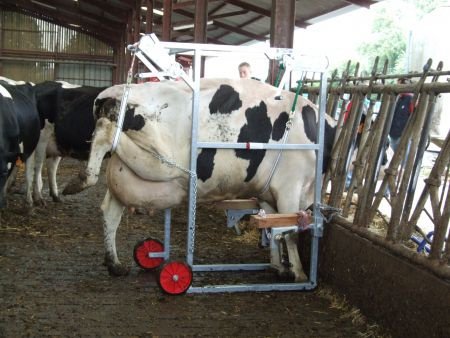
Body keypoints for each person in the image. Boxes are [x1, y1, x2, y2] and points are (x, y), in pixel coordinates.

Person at [389, 77, 414, 153]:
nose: (397, 87)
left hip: (403, 132)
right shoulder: (398, 98)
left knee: (404, 153)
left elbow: (413, 116)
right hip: (394, 131)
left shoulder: (411, 99)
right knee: (396, 150)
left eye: (399, 84)